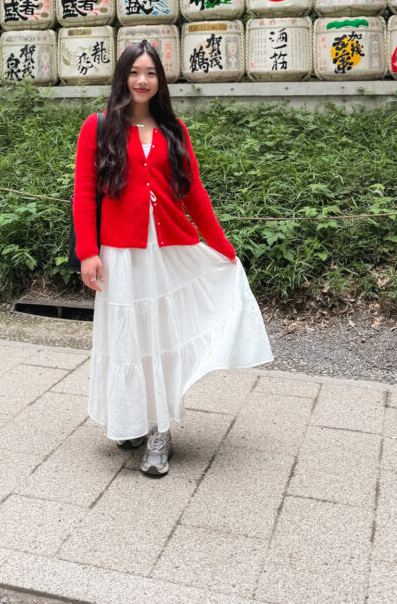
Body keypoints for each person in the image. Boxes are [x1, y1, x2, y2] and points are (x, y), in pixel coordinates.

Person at [73, 40, 273, 477]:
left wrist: (223, 248)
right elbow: (84, 194)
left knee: (160, 338)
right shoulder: (99, 126)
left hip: (168, 251)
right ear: (122, 77)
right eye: (134, 72)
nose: (142, 81)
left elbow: (194, 192)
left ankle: (159, 432)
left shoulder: (173, 130)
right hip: (120, 255)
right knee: (128, 336)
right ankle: (130, 421)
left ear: (160, 81)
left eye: (151, 73)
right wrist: (87, 252)